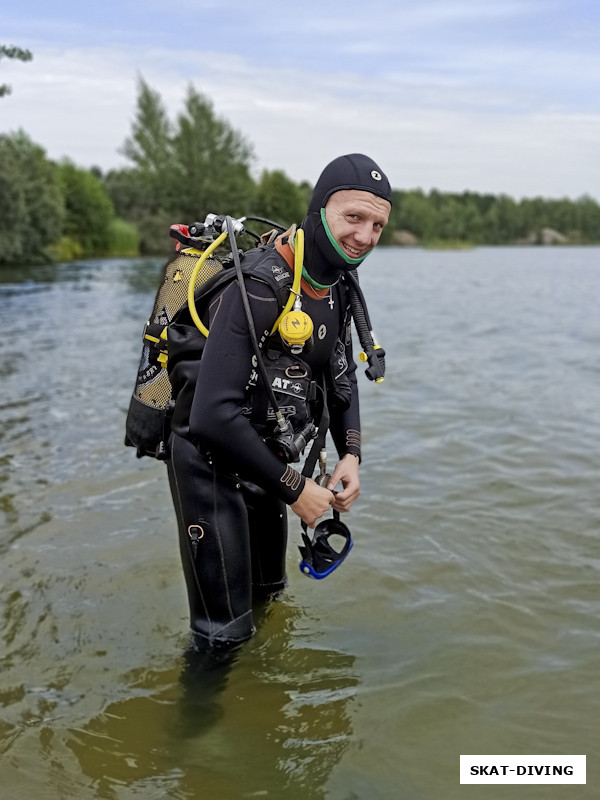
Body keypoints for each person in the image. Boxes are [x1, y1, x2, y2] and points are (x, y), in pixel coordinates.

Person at [165, 153, 392, 648]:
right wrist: (297, 491)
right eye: (353, 217)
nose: (365, 236)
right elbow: (210, 414)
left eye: (377, 224)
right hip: (210, 462)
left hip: (267, 456)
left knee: (271, 600)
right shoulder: (264, 286)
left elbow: (341, 376)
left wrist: (350, 452)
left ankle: (264, 719)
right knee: (223, 637)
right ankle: (195, 724)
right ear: (318, 211)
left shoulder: (336, 286)